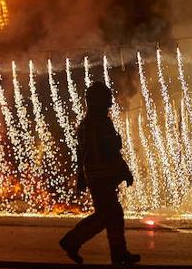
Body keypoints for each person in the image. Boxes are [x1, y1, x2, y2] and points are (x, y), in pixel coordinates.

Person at [60, 82, 140, 266]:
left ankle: (119, 253)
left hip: (96, 177)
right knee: (106, 215)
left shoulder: (85, 125)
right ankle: (72, 240)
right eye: (106, 100)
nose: (108, 105)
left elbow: (80, 155)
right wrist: (125, 171)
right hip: (103, 177)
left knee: (113, 214)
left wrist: (81, 177)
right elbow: (111, 151)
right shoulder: (102, 123)